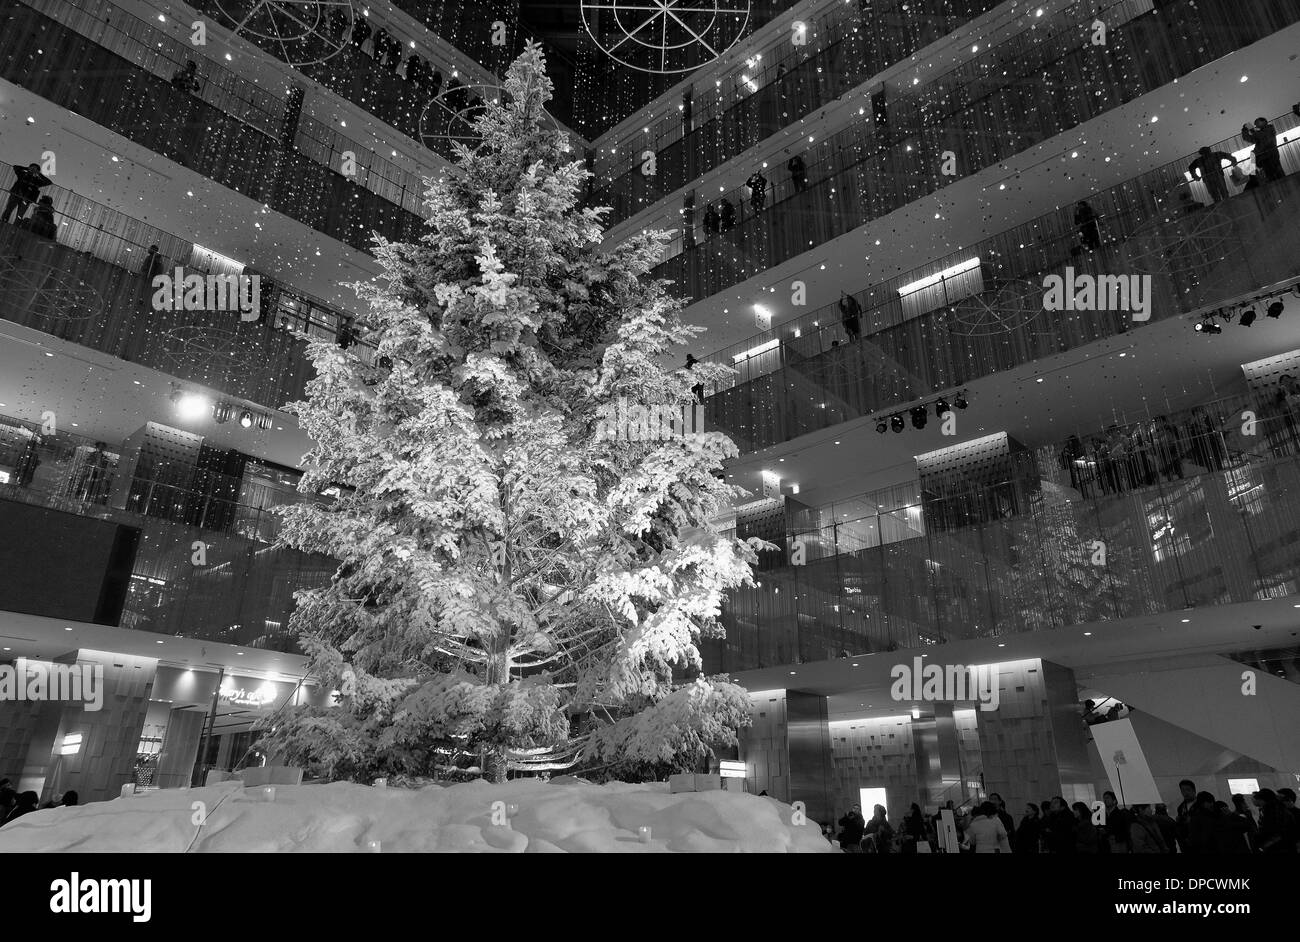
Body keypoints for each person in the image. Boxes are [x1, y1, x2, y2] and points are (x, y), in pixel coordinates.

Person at [1253, 788, 1297, 853]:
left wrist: (1263, 846)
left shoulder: (1273, 812)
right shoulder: (1279, 810)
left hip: (1278, 847)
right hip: (1281, 846)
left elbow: (1278, 833)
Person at [1243, 117, 1285, 182]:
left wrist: (1251, 129)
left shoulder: (1269, 129)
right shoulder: (1260, 132)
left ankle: (1283, 183)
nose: (1255, 125)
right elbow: (1250, 138)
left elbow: (1261, 136)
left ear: (1263, 122)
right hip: (1264, 157)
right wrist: (1244, 131)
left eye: (1257, 123)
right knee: (1271, 175)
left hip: (1270, 155)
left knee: (1276, 173)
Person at [1174, 778, 1197, 851]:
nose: (1185, 793)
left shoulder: (1200, 805)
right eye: (1183, 790)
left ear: (1194, 790)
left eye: (1188, 790)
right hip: (1187, 842)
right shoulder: (1181, 808)